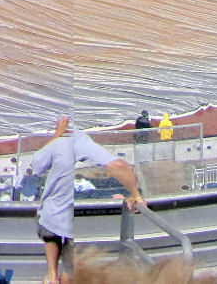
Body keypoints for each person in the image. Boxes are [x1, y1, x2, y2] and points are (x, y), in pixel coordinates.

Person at [20, 116, 142, 284]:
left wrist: (57, 134)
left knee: (50, 232)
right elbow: (119, 167)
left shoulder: (58, 143)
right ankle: (57, 277)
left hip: (50, 216)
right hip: (69, 223)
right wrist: (136, 194)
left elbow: (37, 166)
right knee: (70, 270)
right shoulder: (82, 143)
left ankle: (52, 276)